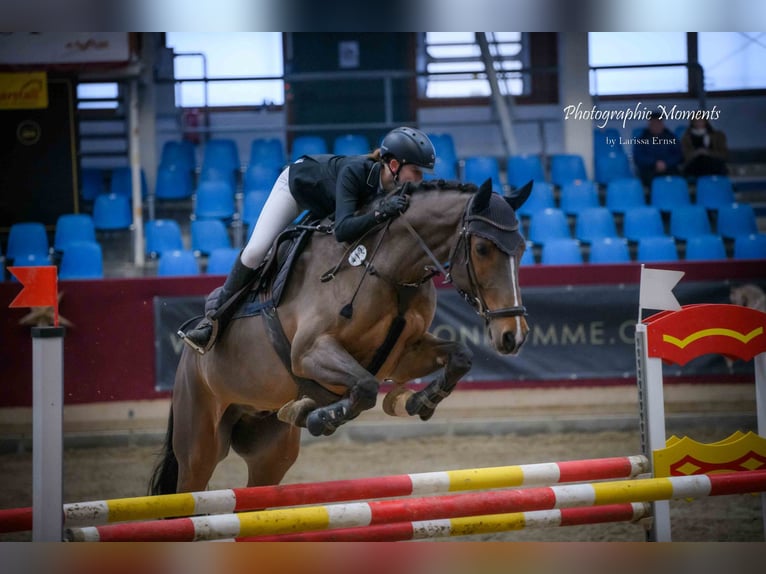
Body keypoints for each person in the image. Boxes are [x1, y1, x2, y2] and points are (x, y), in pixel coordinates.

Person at [179, 126, 436, 354]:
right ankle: (212, 321)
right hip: (296, 189)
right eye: (416, 171)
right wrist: (381, 213)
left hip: (328, 205)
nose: (420, 179)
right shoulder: (354, 172)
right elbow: (344, 230)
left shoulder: (394, 189)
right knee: (256, 251)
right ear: (394, 165)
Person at [632, 111, 684, 187]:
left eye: (658, 123)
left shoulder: (671, 137)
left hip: (669, 168)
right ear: (649, 124)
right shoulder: (642, 139)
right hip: (649, 169)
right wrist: (654, 163)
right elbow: (638, 157)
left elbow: (678, 155)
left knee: (677, 179)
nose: (656, 125)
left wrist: (666, 163)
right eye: (653, 123)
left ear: (662, 124)